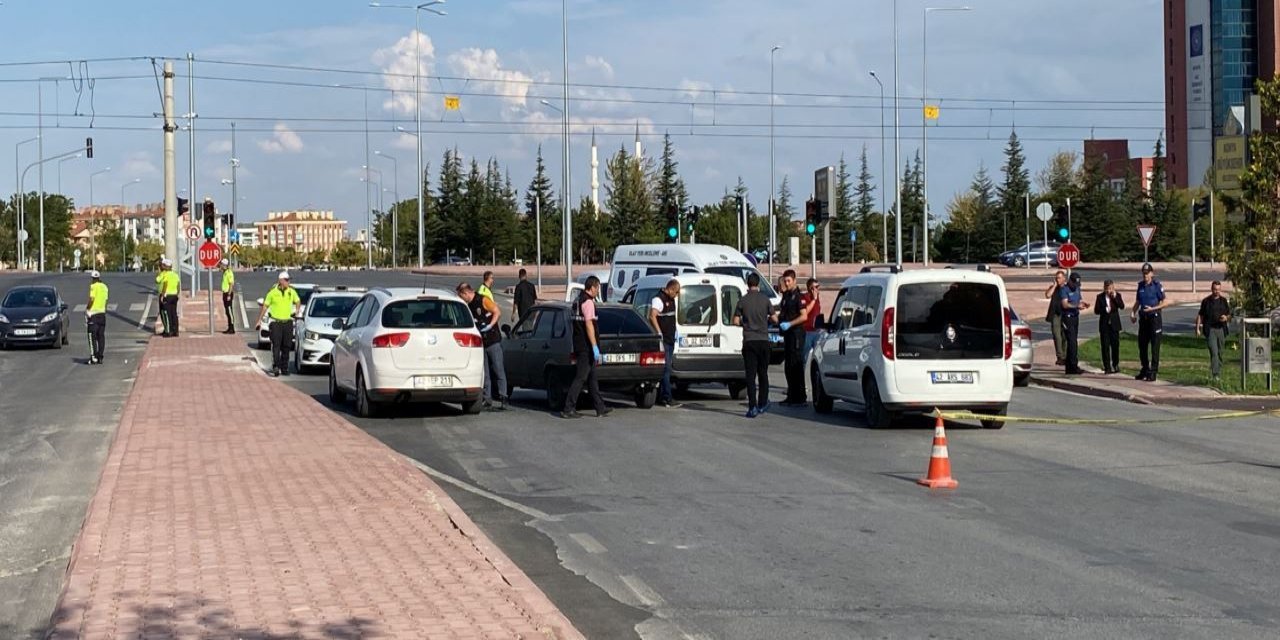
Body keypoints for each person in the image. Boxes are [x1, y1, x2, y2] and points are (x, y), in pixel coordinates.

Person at [562, 275, 609, 419]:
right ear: (592, 287)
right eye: (598, 288)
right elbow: (589, 325)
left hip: (579, 342)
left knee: (592, 377)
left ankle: (600, 408)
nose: (598, 292)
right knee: (581, 377)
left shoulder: (578, 300)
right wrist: (594, 346)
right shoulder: (588, 303)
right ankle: (568, 408)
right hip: (586, 346)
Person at [458, 282, 508, 411]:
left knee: (498, 369)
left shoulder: (483, 300)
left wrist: (490, 325)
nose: (461, 299)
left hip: (493, 340)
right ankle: (487, 398)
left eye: (461, 296)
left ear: (466, 293)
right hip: (481, 342)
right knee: (484, 372)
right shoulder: (468, 306)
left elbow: (497, 312)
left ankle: (503, 396)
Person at [733, 272, 774, 418]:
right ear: (758, 284)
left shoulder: (742, 301)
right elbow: (774, 318)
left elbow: (735, 321)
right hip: (763, 340)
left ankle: (752, 407)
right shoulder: (765, 300)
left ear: (747, 284)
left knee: (750, 376)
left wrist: (746, 324)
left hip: (749, 341)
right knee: (763, 373)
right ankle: (763, 403)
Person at [254, 271, 301, 377]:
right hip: (276, 323)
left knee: (287, 346)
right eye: (287, 280)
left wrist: (297, 311)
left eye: (289, 280)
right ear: (281, 281)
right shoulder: (272, 293)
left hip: (287, 322)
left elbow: (298, 301)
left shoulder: (291, 292)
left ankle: (284, 368)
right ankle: (276, 366)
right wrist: (259, 320)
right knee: (276, 345)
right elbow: (265, 307)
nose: (288, 282)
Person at [775, 269, 810, 406]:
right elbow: (782, 314)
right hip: (788, 335)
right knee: (788, 366)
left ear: (794, 280)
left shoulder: (798, 297)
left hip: (796, 334)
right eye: (785, 281)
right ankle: (791, 395)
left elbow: (804, 316)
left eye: (789, 281)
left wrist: (790, 324)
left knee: (796, 365)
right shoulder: (787, 296)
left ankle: (800, 397)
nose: (787, 283)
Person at [1130, 262, 1168, 381]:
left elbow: (1165, 302)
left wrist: (1153, 308)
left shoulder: (1157, 285)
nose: (1145, 276)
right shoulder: (1140, 286)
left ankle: (1153, 371)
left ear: (1152, 273)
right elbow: (1138, 302)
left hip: (1154, 318)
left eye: (1147, 273)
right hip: (1144, 319)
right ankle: (1145, 369)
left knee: (1155, 346)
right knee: (1142, 345)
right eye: (1144, 273)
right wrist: (1133, 312)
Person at [647, 278, 682, 408]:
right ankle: (667, 398)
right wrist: (659, 332)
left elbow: (671, 317)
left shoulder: (671, 299)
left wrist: (676, 331)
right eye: (676, 292)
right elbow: (652, 316)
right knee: (666, 369)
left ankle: (662, 397)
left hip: (670, 338)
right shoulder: (659, 299)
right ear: (671, 289)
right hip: (663, 340)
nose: (677, 295)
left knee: (666, 369)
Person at [1195, 280, 1232, 380]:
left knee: (1220, 352)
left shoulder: (1224, 301)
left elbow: (1229, 315)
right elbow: (1200, 315)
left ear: (1220, 290)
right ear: (1212, 289)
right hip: (1210, 329)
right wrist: (1197, 328)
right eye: (1215, 289)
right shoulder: (1206, 301)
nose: (1216, 291)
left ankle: (1218, 370)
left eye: (1218, 290)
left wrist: (1226, 318)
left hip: (1221, 329)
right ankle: (1215, 374)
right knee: (1214, 352)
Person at [1058, 272, 1090, 374]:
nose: (1075, 286)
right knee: (1072, 342)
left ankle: (1070, 367)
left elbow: (1079, 300)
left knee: (1074, 341)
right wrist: (1076, 306)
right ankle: (1072, 366)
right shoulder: (1064, 289)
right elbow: (1065, 304)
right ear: (1070, 281)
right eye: (1074, 284)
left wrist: (1083, 304)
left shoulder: (1077, 288)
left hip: (1075, 317)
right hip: (1068, 317)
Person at [1094, 279, 1125, 374]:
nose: (1109, 291)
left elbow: (1122, 306)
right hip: (1104, 325)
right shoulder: (1100, 297)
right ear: (1104, 288)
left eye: (1110, 288)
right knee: (1105, 346)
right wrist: (1104, 309)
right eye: (1107, 289)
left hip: (1114, 324)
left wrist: (1115, 297)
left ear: (1113, 288)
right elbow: (1096, 310)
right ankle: (1107, 366)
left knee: (1115, 345)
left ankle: (1115, 364)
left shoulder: (1117, 295)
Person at [1044, 270, 1067, 365]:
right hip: (1055, 315)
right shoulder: (1054, 288)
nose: (1058, 280)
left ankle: (1065, 356)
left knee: (1065, 337)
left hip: (1065, 314)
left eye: (1059, 278)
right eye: (1056, 278)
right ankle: (1060, 357)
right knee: (1057, 336)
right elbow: (1047, 295)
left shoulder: (1067, 288)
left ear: (1064, 278)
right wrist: (1054, 286)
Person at [86, 270, 108, 365]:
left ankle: (93, 357)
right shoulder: (105, 287)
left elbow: (92, 299)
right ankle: (100, 356)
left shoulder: (93, 287)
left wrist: (87, 308)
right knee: (101, 336)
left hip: (93, 314)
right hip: (102, 314)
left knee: (92, 336)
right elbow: (105, 300)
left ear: (93, 279)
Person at [156, 257, 181, 337]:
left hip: (167, 295)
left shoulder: (166, 274)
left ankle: (168, 331)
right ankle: (175, 331)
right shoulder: (175, 274)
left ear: (166, 266)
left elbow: (165, 284)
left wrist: (163, 295)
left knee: (167, 314)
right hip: (174, 296)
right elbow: (178, 285)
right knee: (174, 313)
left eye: (163, 265)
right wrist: (177, 293)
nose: (162, 266)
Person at [800, 278, 822, 362]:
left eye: (818, 286)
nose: (818, 289)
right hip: (807, 331)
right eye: (816, 287)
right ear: (811, 288)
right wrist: (813, 300)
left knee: (817, 355)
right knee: (805, 355)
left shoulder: (817, 299)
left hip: (816, 331)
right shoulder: (805, 297)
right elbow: (805, 312)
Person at [219, 258, 236, 334]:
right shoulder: (225, 272)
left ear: (224, 265)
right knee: (227, 311)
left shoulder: (229, 273)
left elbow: (231, 284)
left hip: (228, 294)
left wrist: (229, 294)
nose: (220, 265)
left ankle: (232, 328)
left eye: (221, 264)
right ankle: (229, 327)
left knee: (229, 311)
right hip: (225, 293)